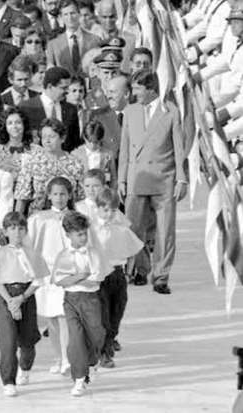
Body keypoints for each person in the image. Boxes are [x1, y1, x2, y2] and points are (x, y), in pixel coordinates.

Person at [118, 71, 186, 294]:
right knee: (133, 228)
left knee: (165, 230)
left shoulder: (171, 111)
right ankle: (141, 269)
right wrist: (121, 179)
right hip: (136, 178)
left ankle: (161, 276)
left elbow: (179, 148)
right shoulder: (130, 111)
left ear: (151, 89)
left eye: (138, 89)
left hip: (163, 179)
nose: (134, 93)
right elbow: (125, 148)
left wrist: (181, 178)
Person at [0, 211, 49, 397]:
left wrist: (21, 298)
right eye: (12, 228)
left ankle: (25, 367)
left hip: (26, 295)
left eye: (21, 228)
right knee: (8, 341)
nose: (16, 232)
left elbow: (38, 280)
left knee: (28, 339)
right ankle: (8, 380)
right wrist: (10, 302)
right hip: (6, 296)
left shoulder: (32, 253)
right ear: (5, 231)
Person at [53, 211, 109, 397]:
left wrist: (74, 279)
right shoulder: (63, 255)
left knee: (96, 333)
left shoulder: (93, 254)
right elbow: (60, 281)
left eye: (85, 233)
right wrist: (78, 276)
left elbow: (96, 280)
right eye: (79, 234)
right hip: (71, 300)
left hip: (91, 300)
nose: (83, 237)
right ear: (68, 235)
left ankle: (92, 360)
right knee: (75, 338)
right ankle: (79, 378)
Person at [28, 176, 75, 376]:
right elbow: (31, 245)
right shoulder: (39, 218)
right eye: (55, 194)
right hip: (47, 272)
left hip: (68, 271)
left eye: (63, 194)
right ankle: (57, 356)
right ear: (48, 196)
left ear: (70, 195)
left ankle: (67, 357)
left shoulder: (75, 217)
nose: (59, 198)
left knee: (64, 316)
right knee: (52, 318)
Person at [93, 188, 142, 368]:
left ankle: (111, 338)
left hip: (117, 274)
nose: (109, 214)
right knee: (103, 316)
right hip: (100, 276)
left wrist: (129, 272)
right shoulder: (92, 230)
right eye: (105, 210)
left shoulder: (121, 229)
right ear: (97, 208)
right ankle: (104, 352)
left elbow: (134, 249)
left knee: (117, 312)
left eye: (113, 210)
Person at [15, 118, 84, 215]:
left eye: (51, 136)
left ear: (62, 138)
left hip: (68, 218)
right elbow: (21, 197)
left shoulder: (75, 163)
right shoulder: (32, 162)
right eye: (44, 137)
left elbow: (81, 197)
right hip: (38, 219)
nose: (47, 141)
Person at [18, 66, 82, 151]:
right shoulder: (26, 107)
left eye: (68, 87)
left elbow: (75, 142)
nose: (67, 91)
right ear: (50, 86)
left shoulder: (71, 109)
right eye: (63, 88)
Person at [71, 120, 117, 186]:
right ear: (84, 137)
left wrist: (111, 193)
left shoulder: (108, 154)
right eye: (89, 142)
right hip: (82, 193)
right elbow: (73, 179)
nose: (92, 145)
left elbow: (113, 178)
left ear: (101, 139)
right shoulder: (75, 154)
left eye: (96, 142)